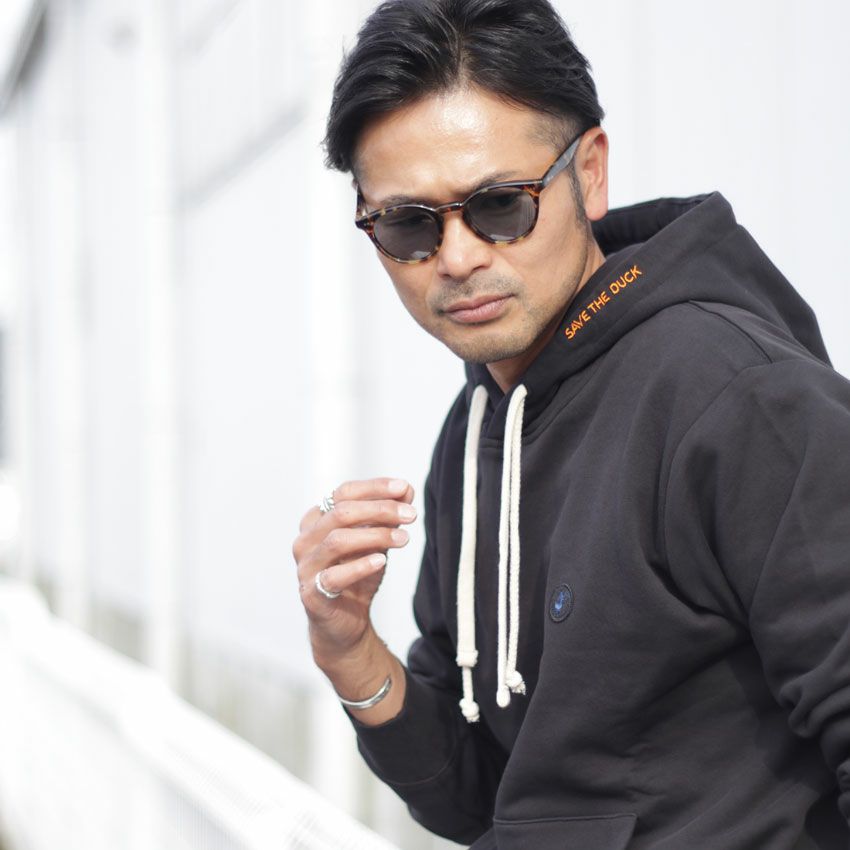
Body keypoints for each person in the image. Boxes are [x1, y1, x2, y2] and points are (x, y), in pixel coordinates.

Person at [291, 1, 850, 847]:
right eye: (409, 224)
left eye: (500, 205)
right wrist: (349, 650)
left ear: (589, 173)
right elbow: (481, 798)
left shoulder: (739, 398)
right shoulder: (478, 427)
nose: (458, 257)